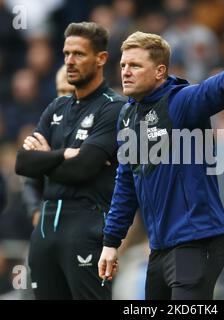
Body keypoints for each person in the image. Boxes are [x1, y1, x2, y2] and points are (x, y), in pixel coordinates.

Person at [98, 31, 224, 300]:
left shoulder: (179, 102)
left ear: (159, 71)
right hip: (160, 249)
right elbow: (126, 183)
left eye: (135, 65)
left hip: (195, 243)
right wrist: (111, 242)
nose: (126, 72)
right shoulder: (127, 117)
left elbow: (207, 93)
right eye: (123, 66)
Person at [15, 22, 126, 300]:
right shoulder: (56, 107)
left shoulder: (114, 108)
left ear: (101, 59)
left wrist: (46, 160)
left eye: (78, 54)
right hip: (45, 232)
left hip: (86, 226)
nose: (70, 61)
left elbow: (83, 168)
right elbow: (23, 163)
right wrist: (62, 154)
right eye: (66, 54)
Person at [22, 65, 75, 228]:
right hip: (51, 219)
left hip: (86, 218)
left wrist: (50, 157)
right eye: (61, 91)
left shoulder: (98, 126)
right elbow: (30, 179)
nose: (65, 97)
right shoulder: (48, 128)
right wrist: (35, 211)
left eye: (70, 91)